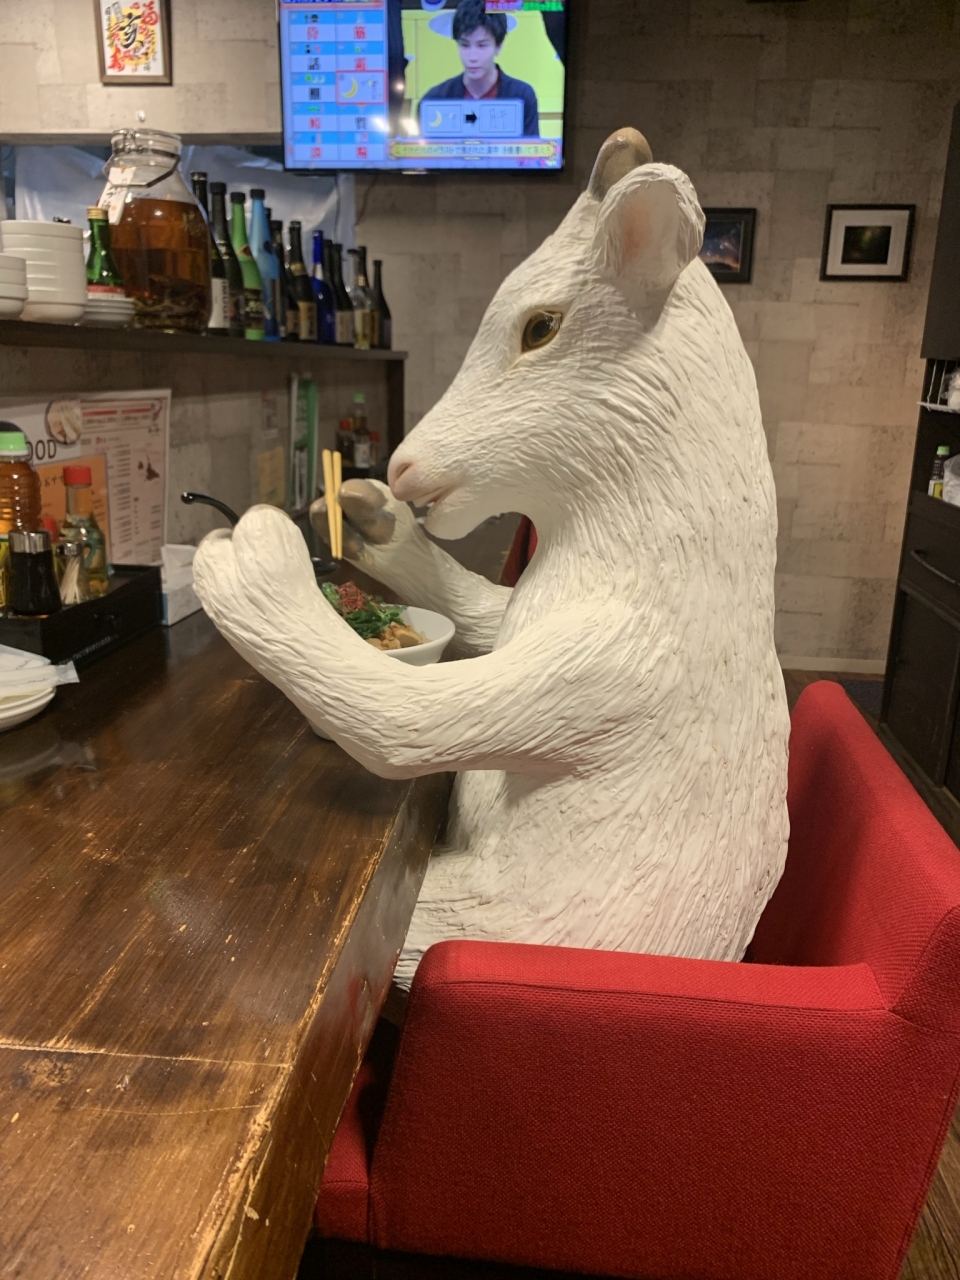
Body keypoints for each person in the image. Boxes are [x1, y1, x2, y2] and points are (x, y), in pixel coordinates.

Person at [421, 0, 539, 137]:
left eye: (482, 46)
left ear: (499, 46)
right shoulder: (435, 100)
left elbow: (532, 150)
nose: (472, 57)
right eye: (465, 45)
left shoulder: (522, 96)